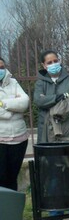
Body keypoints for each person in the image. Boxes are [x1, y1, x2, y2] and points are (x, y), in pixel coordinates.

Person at [34, 50, 69, 220]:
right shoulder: (40, 83)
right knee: (54, 173)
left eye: (55, 60)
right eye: (49, 62)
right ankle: (56, 211)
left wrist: (51, 102)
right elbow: (38, 101)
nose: (53, 64)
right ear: (43, 65)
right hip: (49, 137)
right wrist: (61, 97)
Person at [0, 56, 30, 197]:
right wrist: (13, 108)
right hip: (1, 139)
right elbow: (16, 107)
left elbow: (24, 103)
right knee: (1, 178)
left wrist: (4, 103)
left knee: (12, 178)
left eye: (2, 67)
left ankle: (12, 210)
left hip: (19, 138)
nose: (0, 70)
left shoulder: (13, 82)